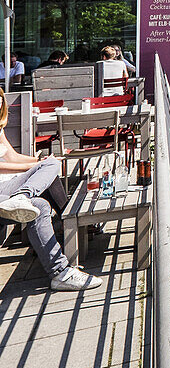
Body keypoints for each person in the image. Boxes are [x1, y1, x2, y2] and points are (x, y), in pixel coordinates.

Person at [0, 90, 102, 290]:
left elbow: (11, 157)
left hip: (6, 189)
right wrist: (36, 167)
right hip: (3, 188)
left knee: (42, 197)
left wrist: (40, 161)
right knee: (46, 177)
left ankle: (60, 272)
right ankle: (68, 242)